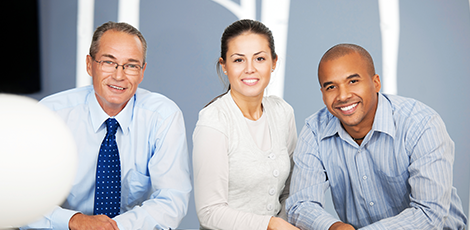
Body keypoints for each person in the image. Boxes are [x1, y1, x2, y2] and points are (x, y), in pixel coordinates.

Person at [21, 21, 191, 230]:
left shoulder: (163, 116)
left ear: (142, 71)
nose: (119, 76)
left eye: (131, 65)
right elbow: (22, 197)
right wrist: (75, 221)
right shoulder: (51, 114)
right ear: (89, 65)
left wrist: (111, 228)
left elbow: (171, 200)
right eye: (108, 62)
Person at [286, 43, 467, 230]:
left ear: (376, 83)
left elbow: (429, 214)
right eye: (331, 87)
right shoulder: (314, 130)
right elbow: (301, 204)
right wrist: (334, 227)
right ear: (323, 94)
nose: (343, 95)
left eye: (353, 81)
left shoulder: (421, 124)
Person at [192, 19, 299, 230]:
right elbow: (209, 212)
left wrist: (283, 224)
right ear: (224, 66)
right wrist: (269, 224)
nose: (250, 69)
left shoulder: (282, 112)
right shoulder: (214, 120)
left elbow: (290, 191)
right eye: (239, 60)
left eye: (259, 58)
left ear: (274, 62)